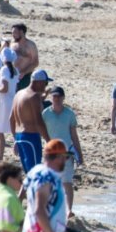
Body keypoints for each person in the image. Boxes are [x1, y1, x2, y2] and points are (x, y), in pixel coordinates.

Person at [19, 140, 69, 232]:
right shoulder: (46, 177)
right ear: (59, 157)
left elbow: (24, 189)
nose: (65, 161)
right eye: (65, 157)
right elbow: (39, 211)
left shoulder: (36, 171)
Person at [42, 85, 83, 215]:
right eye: (54, 96)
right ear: (51, 97)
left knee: (67, 182)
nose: (57, 99)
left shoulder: (69, 114)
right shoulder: (46, 113)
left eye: (59, 96)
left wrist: (80, 154)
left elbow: (74, 136)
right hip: (50, 153)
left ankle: (69, 209)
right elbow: (41, 132)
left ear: (63, 97)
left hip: (66, 153)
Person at [10, 69, 52, 174]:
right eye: (45, 83)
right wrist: (49, 141)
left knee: (29, 174)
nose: (45, 86)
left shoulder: (19, 94)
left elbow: (11, 119)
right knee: (34, 172)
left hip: (20, 137)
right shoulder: (33, 97)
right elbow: (38, 122)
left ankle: (26, 191)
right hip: (31, 137)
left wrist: (15, 138)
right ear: (38, 82)